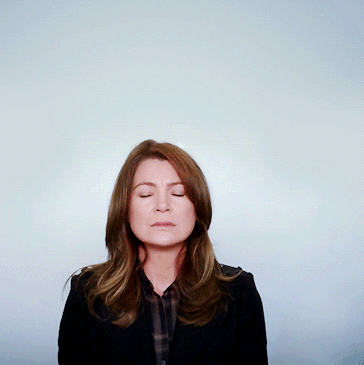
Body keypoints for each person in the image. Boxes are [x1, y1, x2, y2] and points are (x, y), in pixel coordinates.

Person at [58, 140, 268, 365]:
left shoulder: (239, 293)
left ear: (198, 207)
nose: (162, 205)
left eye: (178, 193)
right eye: (145, 194)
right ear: (125, 208)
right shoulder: (87, 293)